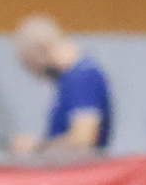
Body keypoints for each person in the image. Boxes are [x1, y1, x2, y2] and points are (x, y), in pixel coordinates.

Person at [9, 15, 113, 158]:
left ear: (43, 48)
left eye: (30, 64)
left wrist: (36, 147)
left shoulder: (82, 76)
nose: (36, 75)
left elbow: (83, 140)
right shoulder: (69, 80)